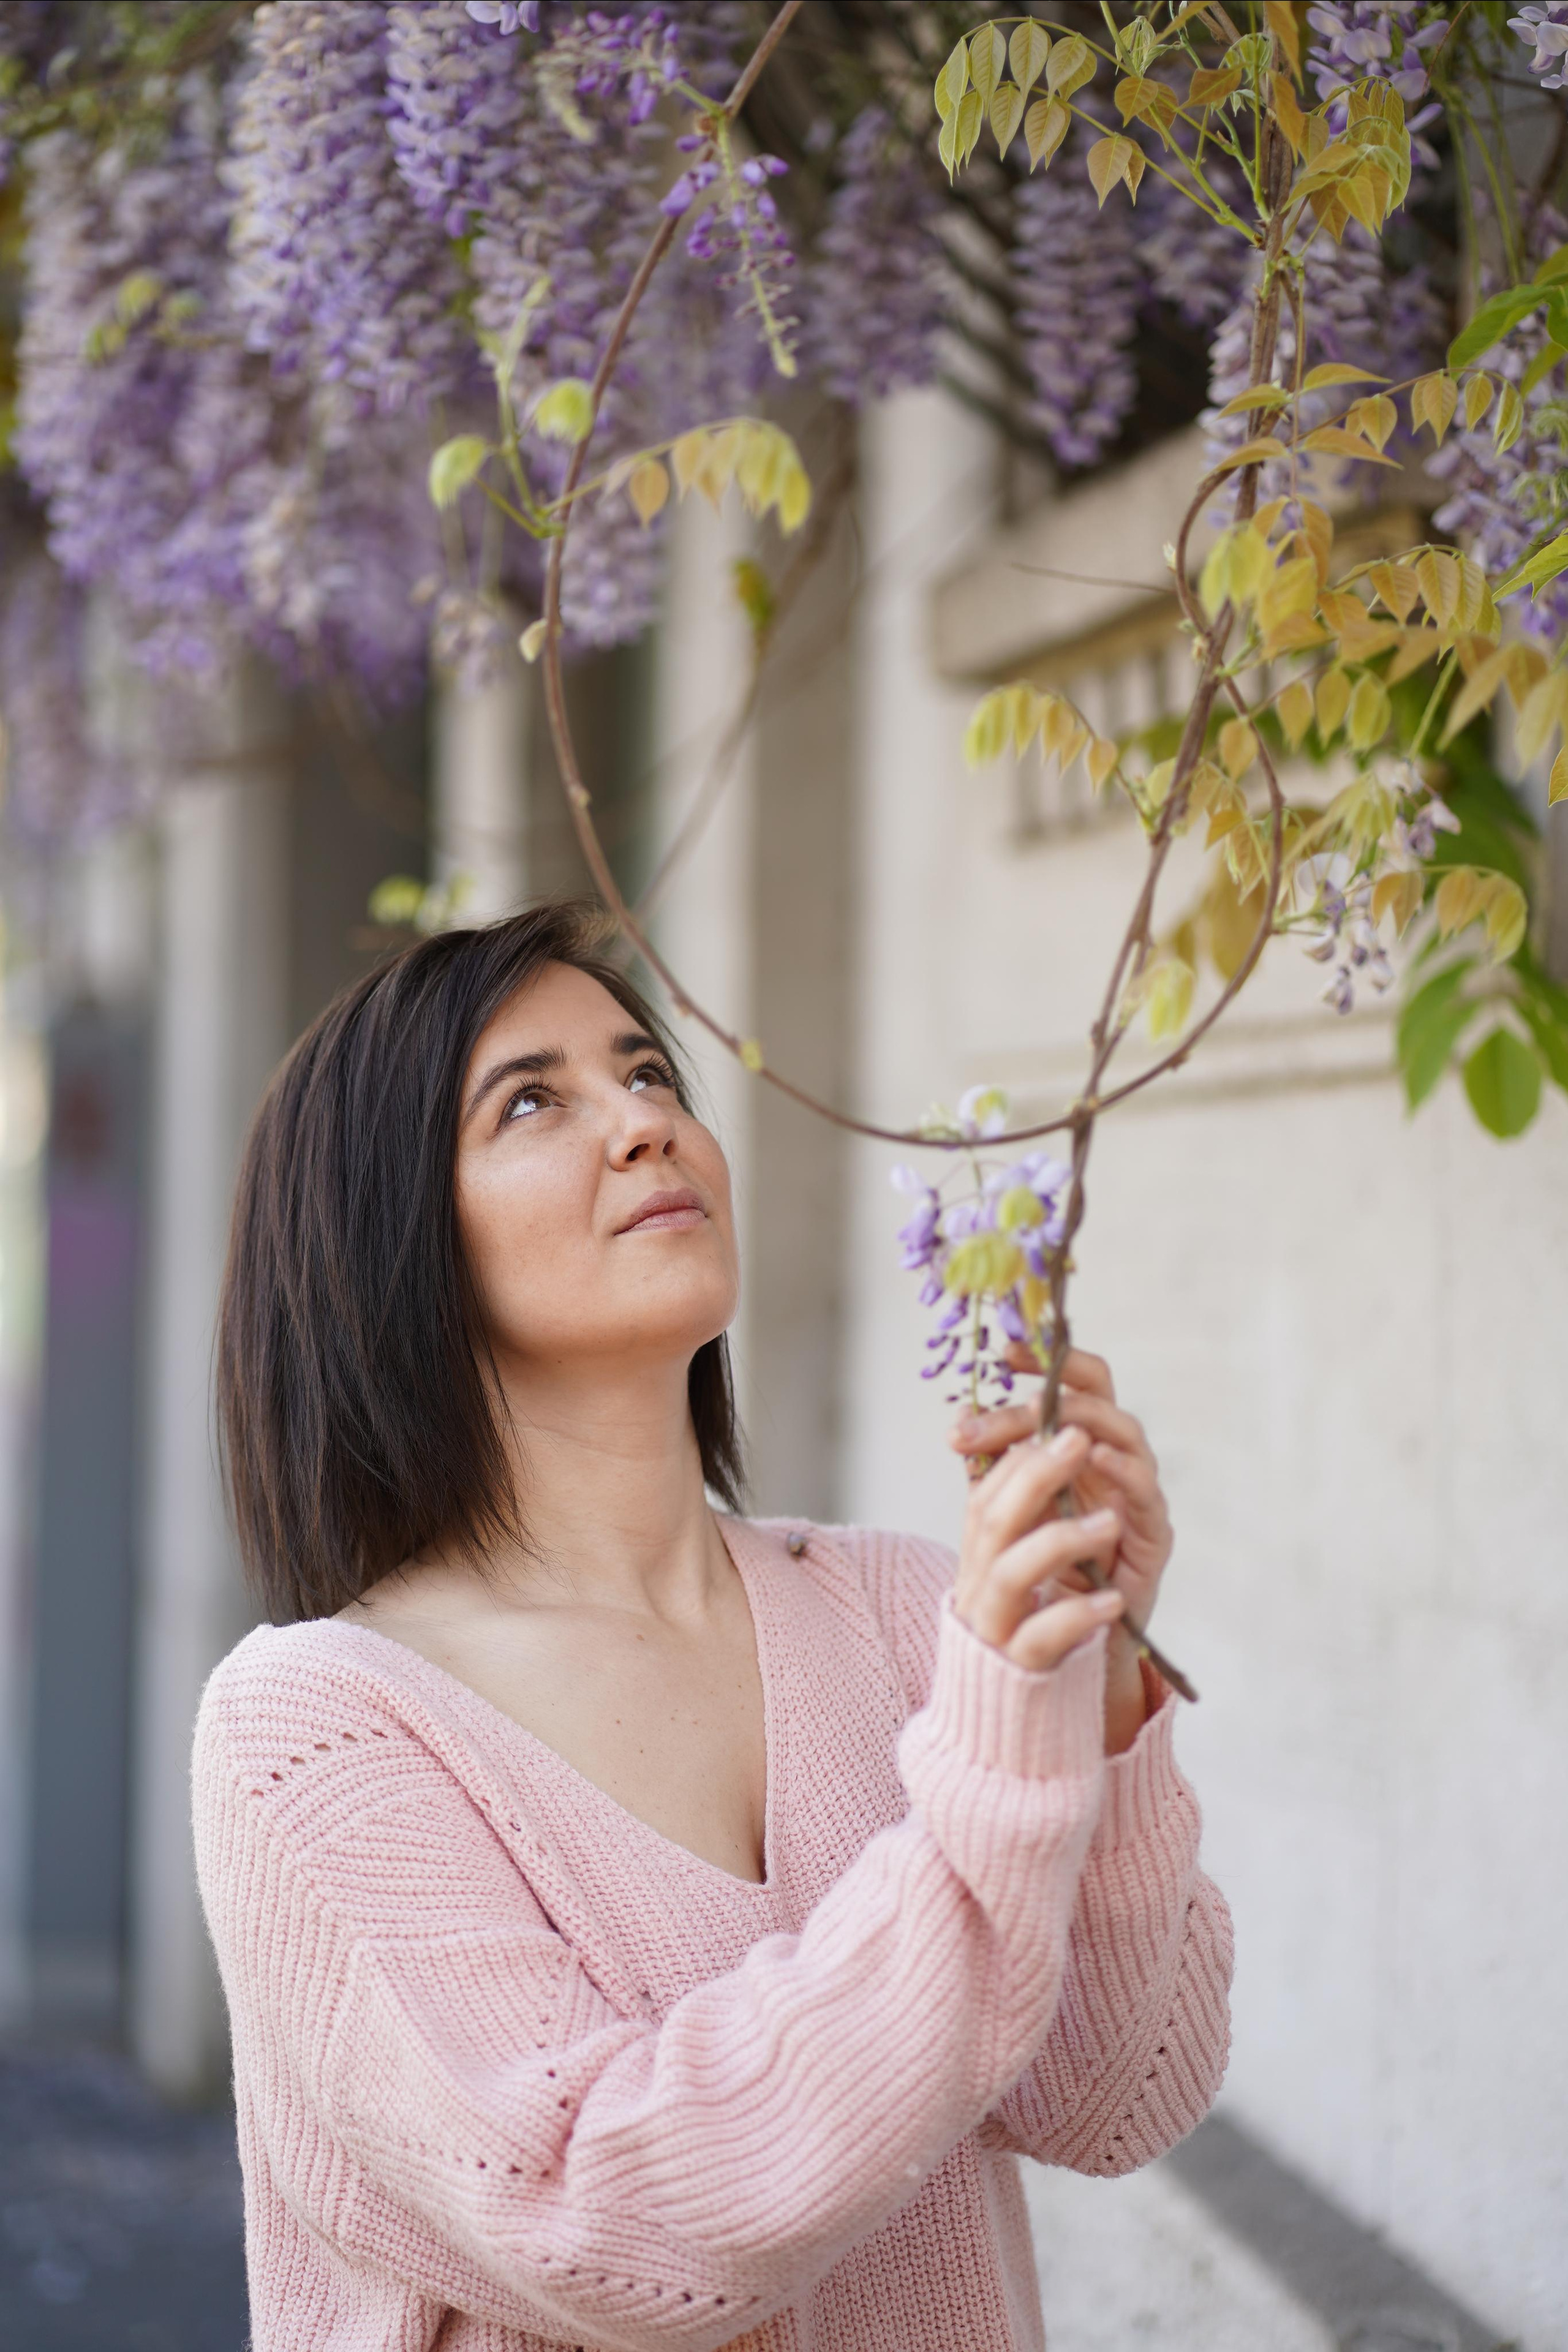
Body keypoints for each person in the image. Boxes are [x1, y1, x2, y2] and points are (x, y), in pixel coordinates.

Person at [194, 899, 1232, 2352]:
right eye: (531, 1102)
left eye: (648, 1074)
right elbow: (618, 2229)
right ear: (387, 1239)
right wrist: (993, 1764)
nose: (639, 1123)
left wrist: (1098, 1673)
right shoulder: (314, 1727)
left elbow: (1116, 2099)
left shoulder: (894, 1608)